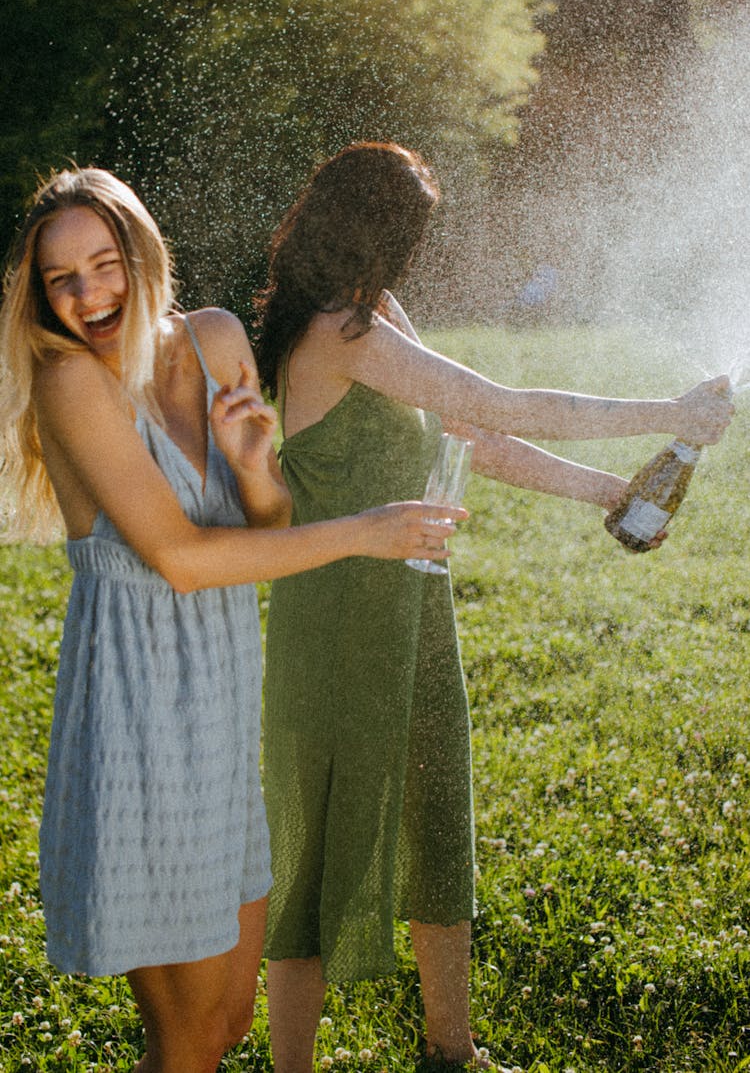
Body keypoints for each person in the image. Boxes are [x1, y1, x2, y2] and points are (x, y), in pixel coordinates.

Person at [252, 141, 733, 1072]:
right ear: (377, 228)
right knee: (312, 854)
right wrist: (667, 408)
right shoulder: (331, 330)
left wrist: (607, 492)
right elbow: (499, 397)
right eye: (411, 231)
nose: (414, 253)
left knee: (438, 815)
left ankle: (450, 1048)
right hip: (338, 614)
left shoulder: (376, 315)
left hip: (417, 608)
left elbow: (474, 433)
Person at [0, 167, 462, 1073]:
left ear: (141, 254)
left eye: (103, 263)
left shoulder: (215, 339)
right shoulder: (70, 383)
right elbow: (180, 558)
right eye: (62, 278)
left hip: (219, 713)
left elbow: (265, 524)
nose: (88, 293)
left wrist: (255, 468)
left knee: (228, 1025)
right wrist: (363, 532)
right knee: (188, 1043)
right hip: (137, 724)